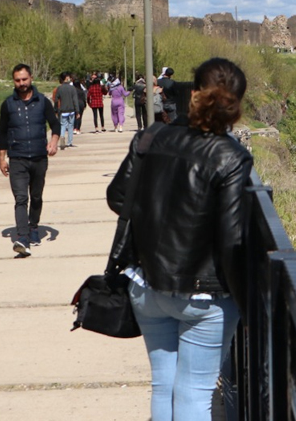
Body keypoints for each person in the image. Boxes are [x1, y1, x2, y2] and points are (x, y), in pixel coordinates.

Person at [106, 58, 252, 421]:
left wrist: (157, 213)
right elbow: (233, 240)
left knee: (164, 384)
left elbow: (117, 197)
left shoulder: (151, 136)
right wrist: (249, 303)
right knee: (193, 396)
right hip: (203, 296)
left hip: (146, 283)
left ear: (192, 92)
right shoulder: (231, 156)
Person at [0, 63, 61, 257]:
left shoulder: (42, 101)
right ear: (14, 81)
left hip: (39, 157)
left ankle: (34, 227)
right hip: (17, 158)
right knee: (20, 198)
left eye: (24, 79)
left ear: (31, 78)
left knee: (36, 196)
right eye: (17, 80)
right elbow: (2, 133)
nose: (21, 83)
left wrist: (53, 141)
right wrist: (2, 158)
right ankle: (22, 237)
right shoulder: (8, 104)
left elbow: (55, 125)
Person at [55, 71, 84, 149]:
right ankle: (70, 142)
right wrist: (77, 111)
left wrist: (56, 110)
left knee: (63, 125)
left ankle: (62, 136)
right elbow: (75, 100)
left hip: (63, 110)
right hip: (71, 110)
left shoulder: (59, 88)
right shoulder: (72, 88)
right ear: (67, 78)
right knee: (71, 126)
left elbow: (56, 100)